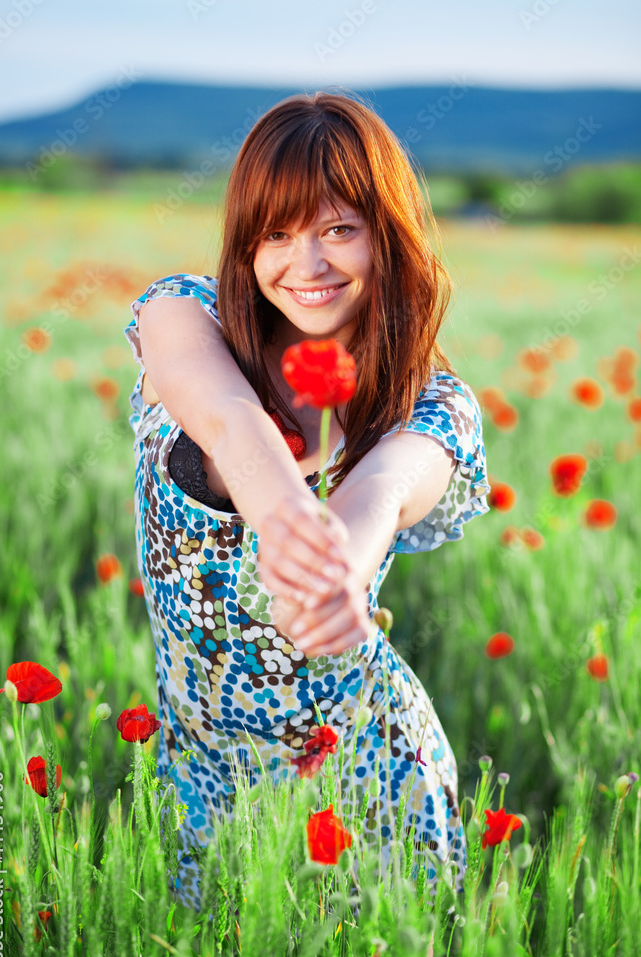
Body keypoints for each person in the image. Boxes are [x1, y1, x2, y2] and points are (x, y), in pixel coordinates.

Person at [122, 90, 491, 910]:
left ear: (386, 235)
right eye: (276, 234)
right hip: (202, 770)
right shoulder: (185, 315)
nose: (307, 264)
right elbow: (224, 415)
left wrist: (334, 569)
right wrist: (284, 511)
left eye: (338, 229)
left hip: (364, 771)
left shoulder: (431, 406)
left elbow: (387, 488)